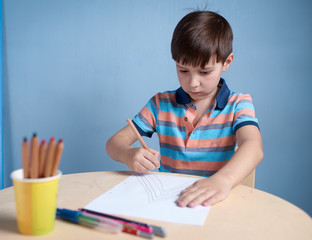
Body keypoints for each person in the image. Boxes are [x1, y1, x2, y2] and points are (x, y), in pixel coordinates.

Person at [106, 10, 263, 208]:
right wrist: (128, 155)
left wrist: (223, 180)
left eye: (204, 72)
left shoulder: (238, 104)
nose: (193, 83)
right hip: (170, 203)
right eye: (183, 70)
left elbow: (253, 146)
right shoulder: (160, 104)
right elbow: (113, 143)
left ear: (227, 62)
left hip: (215, 205)